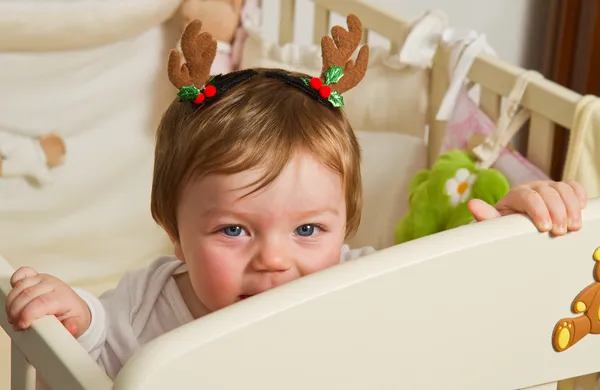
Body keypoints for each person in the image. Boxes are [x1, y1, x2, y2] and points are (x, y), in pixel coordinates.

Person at [4, 15, 587, 380]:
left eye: (309, 230)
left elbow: (452, 299)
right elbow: (99, 347)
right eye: (234, 230)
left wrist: (511, 228)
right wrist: (76, 320)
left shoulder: (366, 281)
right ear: (172, 229)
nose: (275, 260)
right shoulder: (151, 303)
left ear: (347, 226)